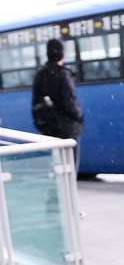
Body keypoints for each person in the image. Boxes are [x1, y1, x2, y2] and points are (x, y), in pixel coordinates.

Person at [32, 38, 84, 170]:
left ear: (47, 54)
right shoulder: (63, 74)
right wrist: (79, 117)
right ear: (63, 54)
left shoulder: (40, 74)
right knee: (69, 167)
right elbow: (69, 102)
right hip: (67, 128)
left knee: (56, 165)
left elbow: (35, 102)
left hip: (49, 127)